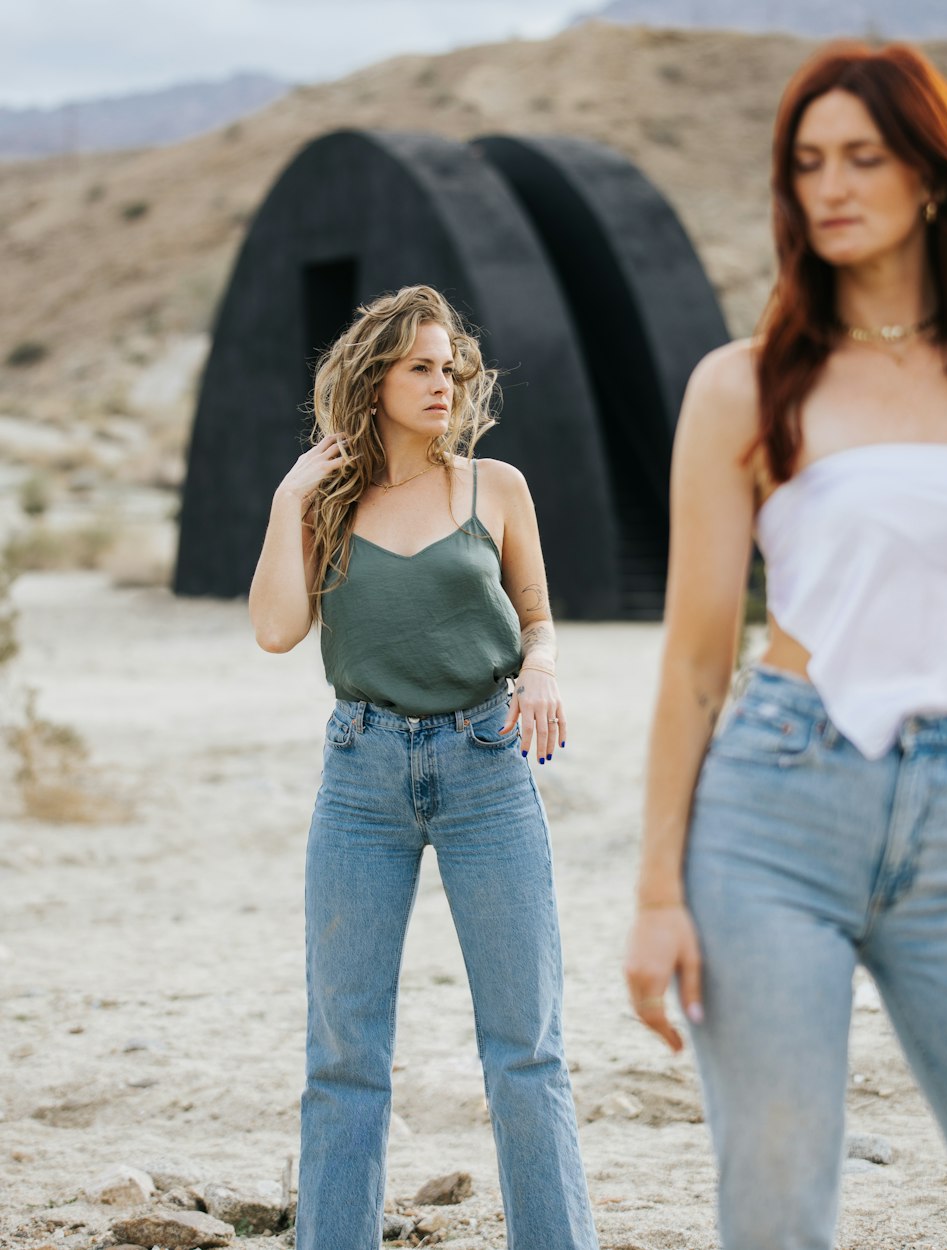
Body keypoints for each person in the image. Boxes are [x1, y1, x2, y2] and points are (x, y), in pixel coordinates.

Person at [624, 41, 947, 1250]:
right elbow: (693, 659)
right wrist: (654, 895)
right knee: (778, 1197)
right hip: (778, 805)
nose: (828, 186)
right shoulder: (746, 386)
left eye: (862, 157)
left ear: (933, 174)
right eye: (804, 164)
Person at [248, 285, 598, 1250]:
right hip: (361, 777)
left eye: (451, 368)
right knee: (345, 1056)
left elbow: (537, 617)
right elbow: (277, 629)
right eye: (420, 367)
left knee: (526, 1051)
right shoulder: (323, 500)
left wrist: (543, 673)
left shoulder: (498, 487)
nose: (443, 383)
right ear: (375, 377)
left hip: (488, 764)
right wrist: (287, 498)